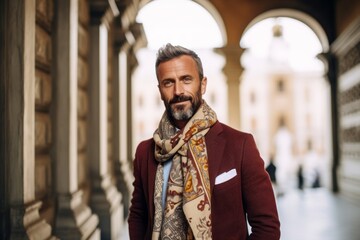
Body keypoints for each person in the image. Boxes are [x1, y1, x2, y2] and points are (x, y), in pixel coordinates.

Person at [128, 43, 280, 240]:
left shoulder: (240, 145)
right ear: (160, 91)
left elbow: (267, 226)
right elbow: (138, 217)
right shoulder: (145, 152)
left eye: (186, 79)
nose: (178, 91)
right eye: (168, 83)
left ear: (203, 84)